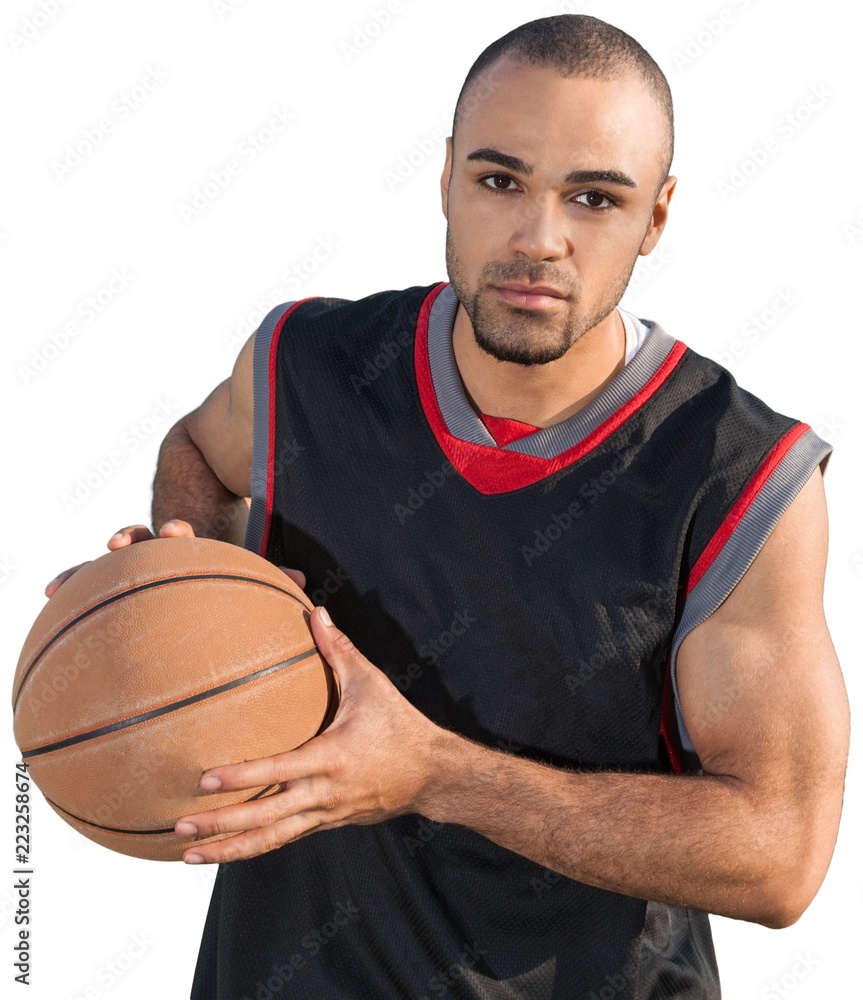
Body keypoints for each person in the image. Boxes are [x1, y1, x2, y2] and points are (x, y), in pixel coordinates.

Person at [47, 14, 849, 1000]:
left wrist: (434, 772)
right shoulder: (306, 366)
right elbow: (199, 454)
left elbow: (777, 855)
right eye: (498, 180)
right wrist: (192, 583)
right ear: (444, 175)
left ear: (655, 218)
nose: (535, 237)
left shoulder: (730, 475)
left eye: (593, 198)